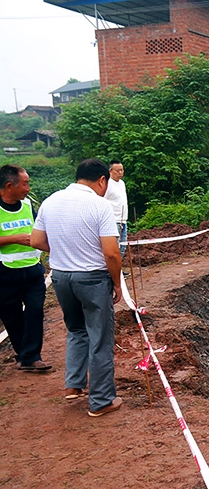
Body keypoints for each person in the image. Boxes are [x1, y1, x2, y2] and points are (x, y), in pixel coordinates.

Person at [30, 158, 123, 417]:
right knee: (100, 338)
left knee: (76, 330)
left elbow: (36, 240)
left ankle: (74, 384)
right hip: (92, 278)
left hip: (61, 277)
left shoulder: (51, 201)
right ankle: (102, 400)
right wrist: (116, 282)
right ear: (102, 180)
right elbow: (112, 254)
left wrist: (62, 251)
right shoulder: (100, 206)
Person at [0, 165, 51, 372]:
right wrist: (14, 238)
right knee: (11, 316)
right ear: (9, 186)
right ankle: (23, 355)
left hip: (32, 270)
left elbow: (42, 229)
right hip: (4, 272)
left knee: (35, 311)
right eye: (25, 183)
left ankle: (32, 357)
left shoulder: (29, 205)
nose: (28, 188)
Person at [103, 160, 129, 255]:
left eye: (122, 170)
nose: (120, 173)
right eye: (117, 171)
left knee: (122, 247)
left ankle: (118, 269)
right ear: (110, 171)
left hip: (123, 220)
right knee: (114, 248)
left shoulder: (122, 183)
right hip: (113, 221)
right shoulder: (107, 184)